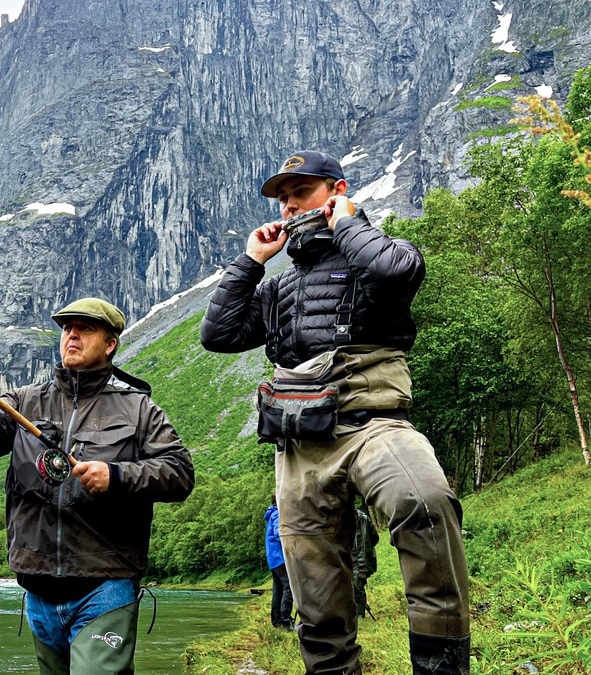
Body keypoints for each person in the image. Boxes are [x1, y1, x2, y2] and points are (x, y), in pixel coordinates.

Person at [200, 150, 470, 674]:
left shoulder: (379, 252)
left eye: (301, 192)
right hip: (300, 443)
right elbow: (219, 335)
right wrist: (251, 262)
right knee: (314, 581)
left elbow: (394, 270)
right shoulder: (278, 287)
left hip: (375, 423)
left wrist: (346, 222)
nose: (289, 206)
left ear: (337, 189)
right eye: (283, 198)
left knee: (426, 501)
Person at [0, 297, 196, 675]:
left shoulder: (139, 409)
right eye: (67, 329)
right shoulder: (24, 400)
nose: (72, 336)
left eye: (85, 328)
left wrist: (116, 476)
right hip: (37, 586)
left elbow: (179, 473)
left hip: (106, 585)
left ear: (110, 343)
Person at [266, 494, 295, 630]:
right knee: (289, 586)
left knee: (278, 589)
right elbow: (280, 534)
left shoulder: (271, 515)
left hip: (273, 558)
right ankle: (285, 620)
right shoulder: (278, 514)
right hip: (280, 557)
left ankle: (276, 620)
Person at [352, 502, 379, 621]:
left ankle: (360, 614)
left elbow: (375, 537)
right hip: (347, 560)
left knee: (358, 586)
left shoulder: (363, 518)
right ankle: (351, 612)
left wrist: (367, 548)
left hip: (361, 560)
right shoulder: (341, 522)